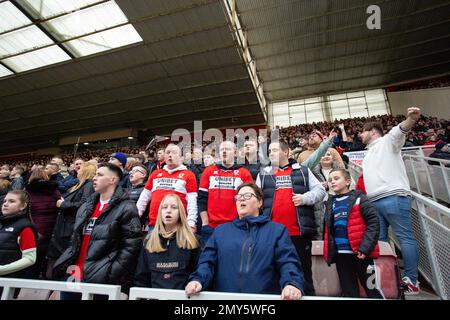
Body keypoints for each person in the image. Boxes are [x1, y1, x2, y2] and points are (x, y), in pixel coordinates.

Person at [186, 183, 305, 299]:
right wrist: (198, 280)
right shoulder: (220, 232)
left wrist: (292, 283)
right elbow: (207, 262)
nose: (242, 199)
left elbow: (288, 262)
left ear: (259, 202)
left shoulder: (277, 231)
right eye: (238, 197)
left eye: (247, 196)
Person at [52, 163, 142, 298]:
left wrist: (110, 273)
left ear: (113, 180)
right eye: (95, 174)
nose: (94, 178)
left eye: (100, 175)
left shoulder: (127, 207)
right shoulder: (85, 207)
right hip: (74, 273)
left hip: (101, 277)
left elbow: (131, 246)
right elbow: (75, 240)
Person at [360, 107, 421, 295]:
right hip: (374, 202)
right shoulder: (368, 152)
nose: (360, 135)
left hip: (393, 197)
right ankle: (387, 277)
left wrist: (411, 118)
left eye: (363, 131)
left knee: (404, 238)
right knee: (380, 241)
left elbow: (400, 130)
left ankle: (411, 279)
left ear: (372, 131)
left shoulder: (388, 142)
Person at [256, 139, 326, 296]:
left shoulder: (302, 170)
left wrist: (304, 198)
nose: (270, 154)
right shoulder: (264, 173)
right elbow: (256, 198)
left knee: (304, 275)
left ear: (286, 152)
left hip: (298, 234)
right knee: (272, 275)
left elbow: (320, 191)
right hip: (271, 234)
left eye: (274, 150)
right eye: (269, 151)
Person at [323, 169, 383, 298]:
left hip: (362, 255)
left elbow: (373, 223)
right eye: (330, 180)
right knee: (349, 292)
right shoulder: (330, 203)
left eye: (336, 178)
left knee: (372, 289)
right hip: (341, 257)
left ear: (348, 181)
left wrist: (365, 248)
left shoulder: (360, 198)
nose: (332, 181)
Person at [134, 194, 200, 288]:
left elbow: (199, 275)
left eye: (174, 207)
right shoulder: (149, 242)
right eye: (164, 207)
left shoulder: (193, 241)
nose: (168, 210)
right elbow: (141, 279)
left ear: (180, 212)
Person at [197, 141, 253, 243]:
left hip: (237, 226)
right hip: (211, 227)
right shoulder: (208, 172)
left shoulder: (244, 173)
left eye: (227, 149)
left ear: (235, 153)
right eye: (221, 149)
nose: (224, 152)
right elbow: (201, 199)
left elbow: (249, 202)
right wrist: (205, 222)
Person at [46, 162, 97, 274]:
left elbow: (85, 205)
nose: (76, 171)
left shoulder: (88, 185)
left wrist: (63, 204)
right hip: (64, 227)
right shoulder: (79, 185)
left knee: (60, 264)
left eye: (80, 168)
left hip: (69, 228)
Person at [136, 144, 198, 231]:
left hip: (178, 225)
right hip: (155, 225)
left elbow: (192, 200)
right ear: (164, 157)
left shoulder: (189, 175)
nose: (170, 155)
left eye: (174, 153)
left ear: (182, 158)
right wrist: (135, 216)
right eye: (168, 152)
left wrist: (191, 221)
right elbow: (144, 197)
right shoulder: (155, 174)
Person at [26, 167, 61, 278]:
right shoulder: (54, 190)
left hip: (35, 226)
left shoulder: (27, 191)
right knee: (47, 256)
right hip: (52, 225)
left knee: (32, 259)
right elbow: (60, 205)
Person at [0, 191, 37, 280]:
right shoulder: (2, 224)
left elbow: (30, 259)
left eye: (11, 201)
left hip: (9, 283)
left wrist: (2, 270)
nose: (5, 204)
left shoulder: (25, 227)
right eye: (5, 201)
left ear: (23, 206)